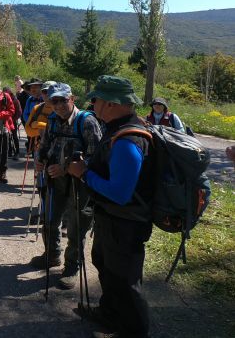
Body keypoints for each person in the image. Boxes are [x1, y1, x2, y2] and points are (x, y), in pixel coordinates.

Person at [68, 75, 154, 338]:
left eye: (96, 100)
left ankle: (133, 331)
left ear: (112, 104)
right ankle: (110, 314)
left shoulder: (128, 140)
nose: (92, 104)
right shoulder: (119, 128)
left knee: (124, 282)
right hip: (112, 220)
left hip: (125, 223)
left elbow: (119, 192)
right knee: (104, 265)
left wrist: (83, 174)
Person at [33, 83, 102, 290]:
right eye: (54, 101)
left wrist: (66, 168)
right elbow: (44, 146)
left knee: (76, 226)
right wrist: (39, 160)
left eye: (63, 100)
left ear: (72, 99)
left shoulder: (87, 122)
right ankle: (52, 255)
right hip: (55, 180)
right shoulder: (52, 120)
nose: (59, 105)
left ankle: (72, 267)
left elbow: (97, 158)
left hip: (80, 183)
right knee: (49, 219)